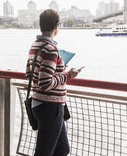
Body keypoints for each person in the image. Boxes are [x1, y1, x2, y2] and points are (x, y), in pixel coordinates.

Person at [26, 9, 80, 156]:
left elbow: (29, 74)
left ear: (40, 25)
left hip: (40, 104)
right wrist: (67, 75)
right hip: (50, 106)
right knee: (44, 152)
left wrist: (57, 69)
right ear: (57, 26)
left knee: (62, 149)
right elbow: (45, 83)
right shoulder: (51, 49)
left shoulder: (35, 45)